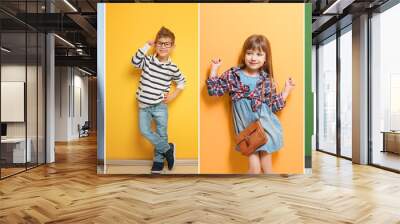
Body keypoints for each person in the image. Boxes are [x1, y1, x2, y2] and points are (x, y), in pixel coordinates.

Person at [206, 34, 295, 174]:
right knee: (254, 168)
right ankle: (248, 194)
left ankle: (269, 194)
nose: (253, 58)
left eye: (259, 54)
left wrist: (286, 91)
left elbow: (272, 106)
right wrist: (214, 69)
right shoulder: (234, 75)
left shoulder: (266, 80)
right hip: (246, 131)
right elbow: (214, 90)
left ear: (265, 59)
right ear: (244, 54)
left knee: (267, 170)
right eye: (249, 53)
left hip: (266, 126)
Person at [132, 26, 186, 174]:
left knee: (162, 133)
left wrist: (173, 95)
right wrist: (146, 46)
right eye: (160, 43)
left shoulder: (172, 67)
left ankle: (158, 161)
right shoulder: (148, 61)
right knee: (145, 131)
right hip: (144, 106)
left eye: (167, 44)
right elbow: (134, 62)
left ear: (172, 46)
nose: (163, 46)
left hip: (160, 106)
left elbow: (182, 82)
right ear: (156, 44)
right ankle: (168, 149)